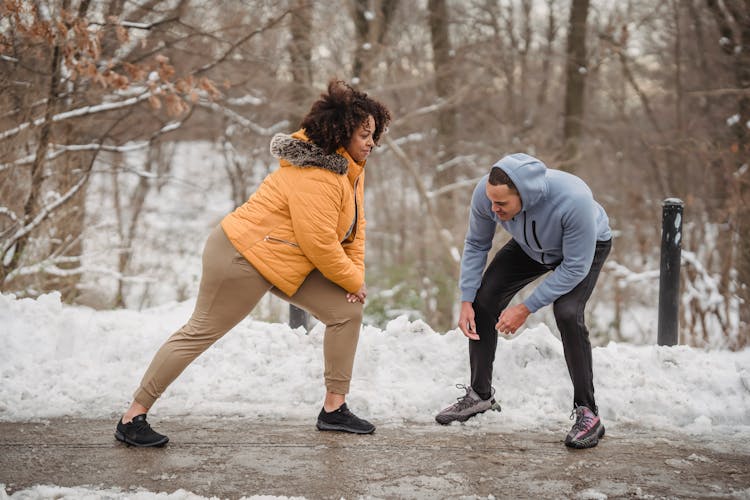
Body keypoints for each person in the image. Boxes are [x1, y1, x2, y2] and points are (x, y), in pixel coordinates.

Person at [115, 80, 391, 446]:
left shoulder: (349, 170)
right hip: (240, 255)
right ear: (341, 133)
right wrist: (353, 281)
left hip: (283, 258)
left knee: (345, 312)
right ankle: (133, 416)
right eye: (364, 134)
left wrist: (353, 279)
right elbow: (320, 243)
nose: (371, 142)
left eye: (374, 134)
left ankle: (333, 409)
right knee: (200, 332)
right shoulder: (318, 176)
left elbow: (355, 231)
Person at [435, 153, 612, 449]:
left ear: (525, 196)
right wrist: (466, 298)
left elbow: (575, 268)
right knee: (484, 299)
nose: (493, 208)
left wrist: (526, 307)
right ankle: (480, 396)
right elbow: (478, 243)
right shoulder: (488, 192)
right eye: (491, 202)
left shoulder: (573, 199)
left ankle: (588, 413)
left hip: (583, 250)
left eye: (502, 204)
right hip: (531, 247)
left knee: (567, 312)